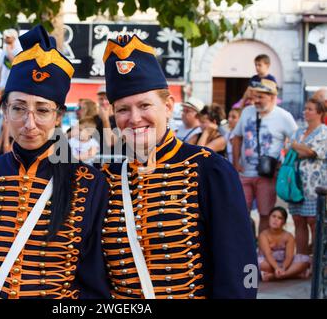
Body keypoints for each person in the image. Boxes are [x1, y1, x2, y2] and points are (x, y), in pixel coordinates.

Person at [0, 25, 110, 299]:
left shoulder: (89, 182)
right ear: (5, 111)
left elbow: (94, 283)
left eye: (42, 110)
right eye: (18, 108)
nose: (29, 124)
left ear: (58, 117)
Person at [100, 34, 257, 298]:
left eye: (145, 105)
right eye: (123, 109)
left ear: (168, 105)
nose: (134, 118)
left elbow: (240, 267)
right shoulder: (107, 178)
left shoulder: (209, 170)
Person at [232, 78, 298, 235]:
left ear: (273, 97)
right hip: (245, 173)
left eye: (261, 97)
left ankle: (261, 252)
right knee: (240, 213)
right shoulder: (247, 112)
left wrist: (283, 165)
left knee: (265, 214)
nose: (256, 100)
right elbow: (237, 137)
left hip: (268, 175)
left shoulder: (284, 116)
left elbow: (296, 141)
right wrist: (235, 163)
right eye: (255, 96)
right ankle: (244, 249)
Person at [288, 98, 327, 258]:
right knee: (298, 220)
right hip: (296, 184)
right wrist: (301, 149)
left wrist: (296, 146)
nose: (306, 112)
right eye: (305, 109)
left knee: (313, 222)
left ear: (319, 113)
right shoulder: (299, 131)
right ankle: (302, 258)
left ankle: (317, 260)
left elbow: (313, 153)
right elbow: (291, 150)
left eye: (310, 109)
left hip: (315, 185)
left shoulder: (324, 131)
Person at [258, 207, 310, 281]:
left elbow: (289, 256)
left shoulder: (288, 236)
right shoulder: (263, 235)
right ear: (269, 218)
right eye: (273, 216)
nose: (275, 220)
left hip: (286, 264)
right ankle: (294, 274)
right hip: (269, 263)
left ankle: (276, 276)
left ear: (284, 222)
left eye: (279, 218)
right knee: (259, 263)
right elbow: (268, 254)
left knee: (304, 261)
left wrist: (283, 268)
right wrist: (276, 267)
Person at [0, 29, 22, 97]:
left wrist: (9, 51)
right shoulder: (4, 50)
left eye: (8, 37)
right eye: (5, 36)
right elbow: (1, 68)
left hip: (14, 84)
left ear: (14, 38)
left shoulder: (19, 50)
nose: (5, 38)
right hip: (3, 84)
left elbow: (15, 64)